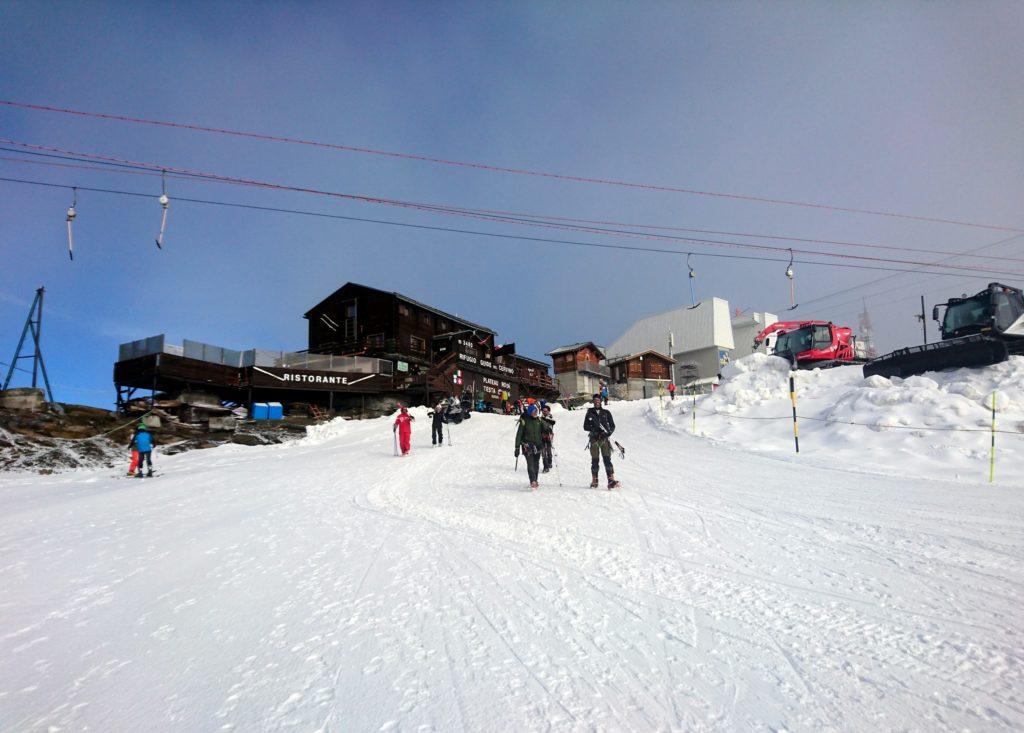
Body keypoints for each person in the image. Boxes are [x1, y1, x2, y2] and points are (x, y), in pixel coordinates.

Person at [583, 393, 619, 489]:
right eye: (595, 400)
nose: (597, 402)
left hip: (604, 440)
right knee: (595, 461)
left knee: (607, 460)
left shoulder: (606, 413)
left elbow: (612, 425)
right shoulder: (590, 413)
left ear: (601, 401)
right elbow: (585, 426)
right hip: (594, 439)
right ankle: (594, 481)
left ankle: (611, 480)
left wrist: (608, 433)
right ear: (593, 402)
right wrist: (593, 428)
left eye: (598, 400)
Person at [514, 403, 549, 489]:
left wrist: (546, 425)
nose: (535, 413)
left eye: (536, 411)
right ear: (530, 412)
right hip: (527, 446)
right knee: (530, 464)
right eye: (534, 411)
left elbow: (546, 428)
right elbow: (519, 434)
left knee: (536, 464)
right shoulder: (524, 421)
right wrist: (517, 447)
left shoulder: (539, 420)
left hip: (538, 445)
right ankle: (533, 481)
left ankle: (535, 480)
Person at [540, 404, 556, 473]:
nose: (544, 412)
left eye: (545, 411)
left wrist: (545, 419)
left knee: (549, 450)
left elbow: (553, 422)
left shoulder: (550, 417)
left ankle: (549, 462)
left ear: (548, 411)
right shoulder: (540, 418)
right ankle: (545, 467)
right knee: (543, 452)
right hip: (542, 436)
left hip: (549, 436)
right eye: (543, 411)